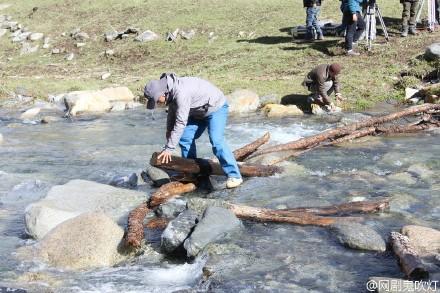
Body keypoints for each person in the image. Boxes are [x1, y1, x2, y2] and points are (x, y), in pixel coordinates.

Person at [144, 73, 243, 189]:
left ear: (162, 93)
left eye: (156, 100)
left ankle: (235, 175)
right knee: (185, 137)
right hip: (197, 111)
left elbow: (181, 122)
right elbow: (172, 111)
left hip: (216, 108)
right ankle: (192, 172)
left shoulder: (181, 92)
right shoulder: (170, 91)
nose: (157, 103)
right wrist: (169, 130)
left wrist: (169, 148)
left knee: (216, 140)